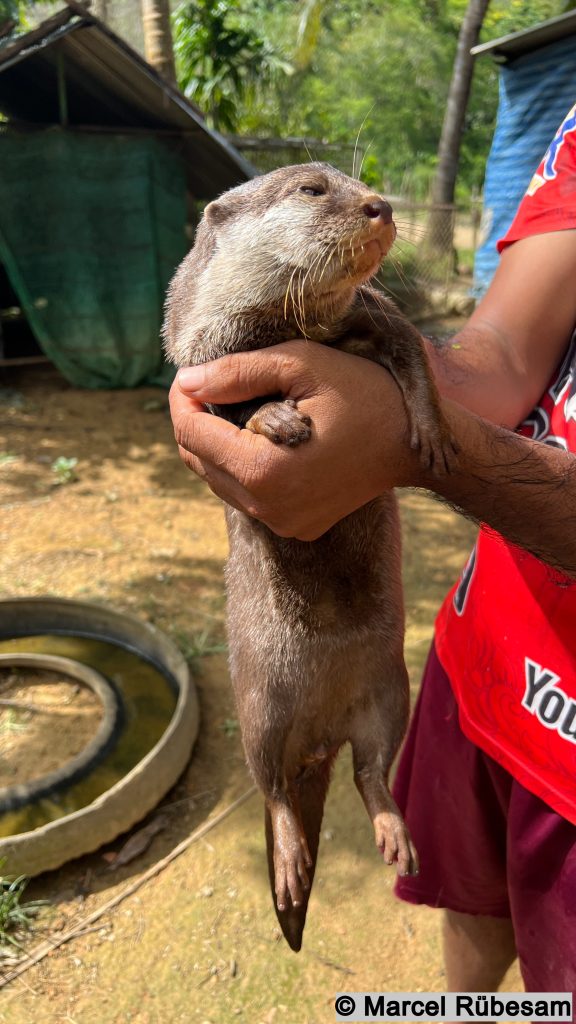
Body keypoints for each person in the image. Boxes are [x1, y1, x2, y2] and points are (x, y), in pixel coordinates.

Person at [169, 104, 576, 993]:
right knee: (467, 927)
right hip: (488, 673)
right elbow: (500, 349)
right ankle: (288, 805)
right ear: (225, 228)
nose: (372, 204)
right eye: (319, 191)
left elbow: (405, 388)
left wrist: (416, 441)